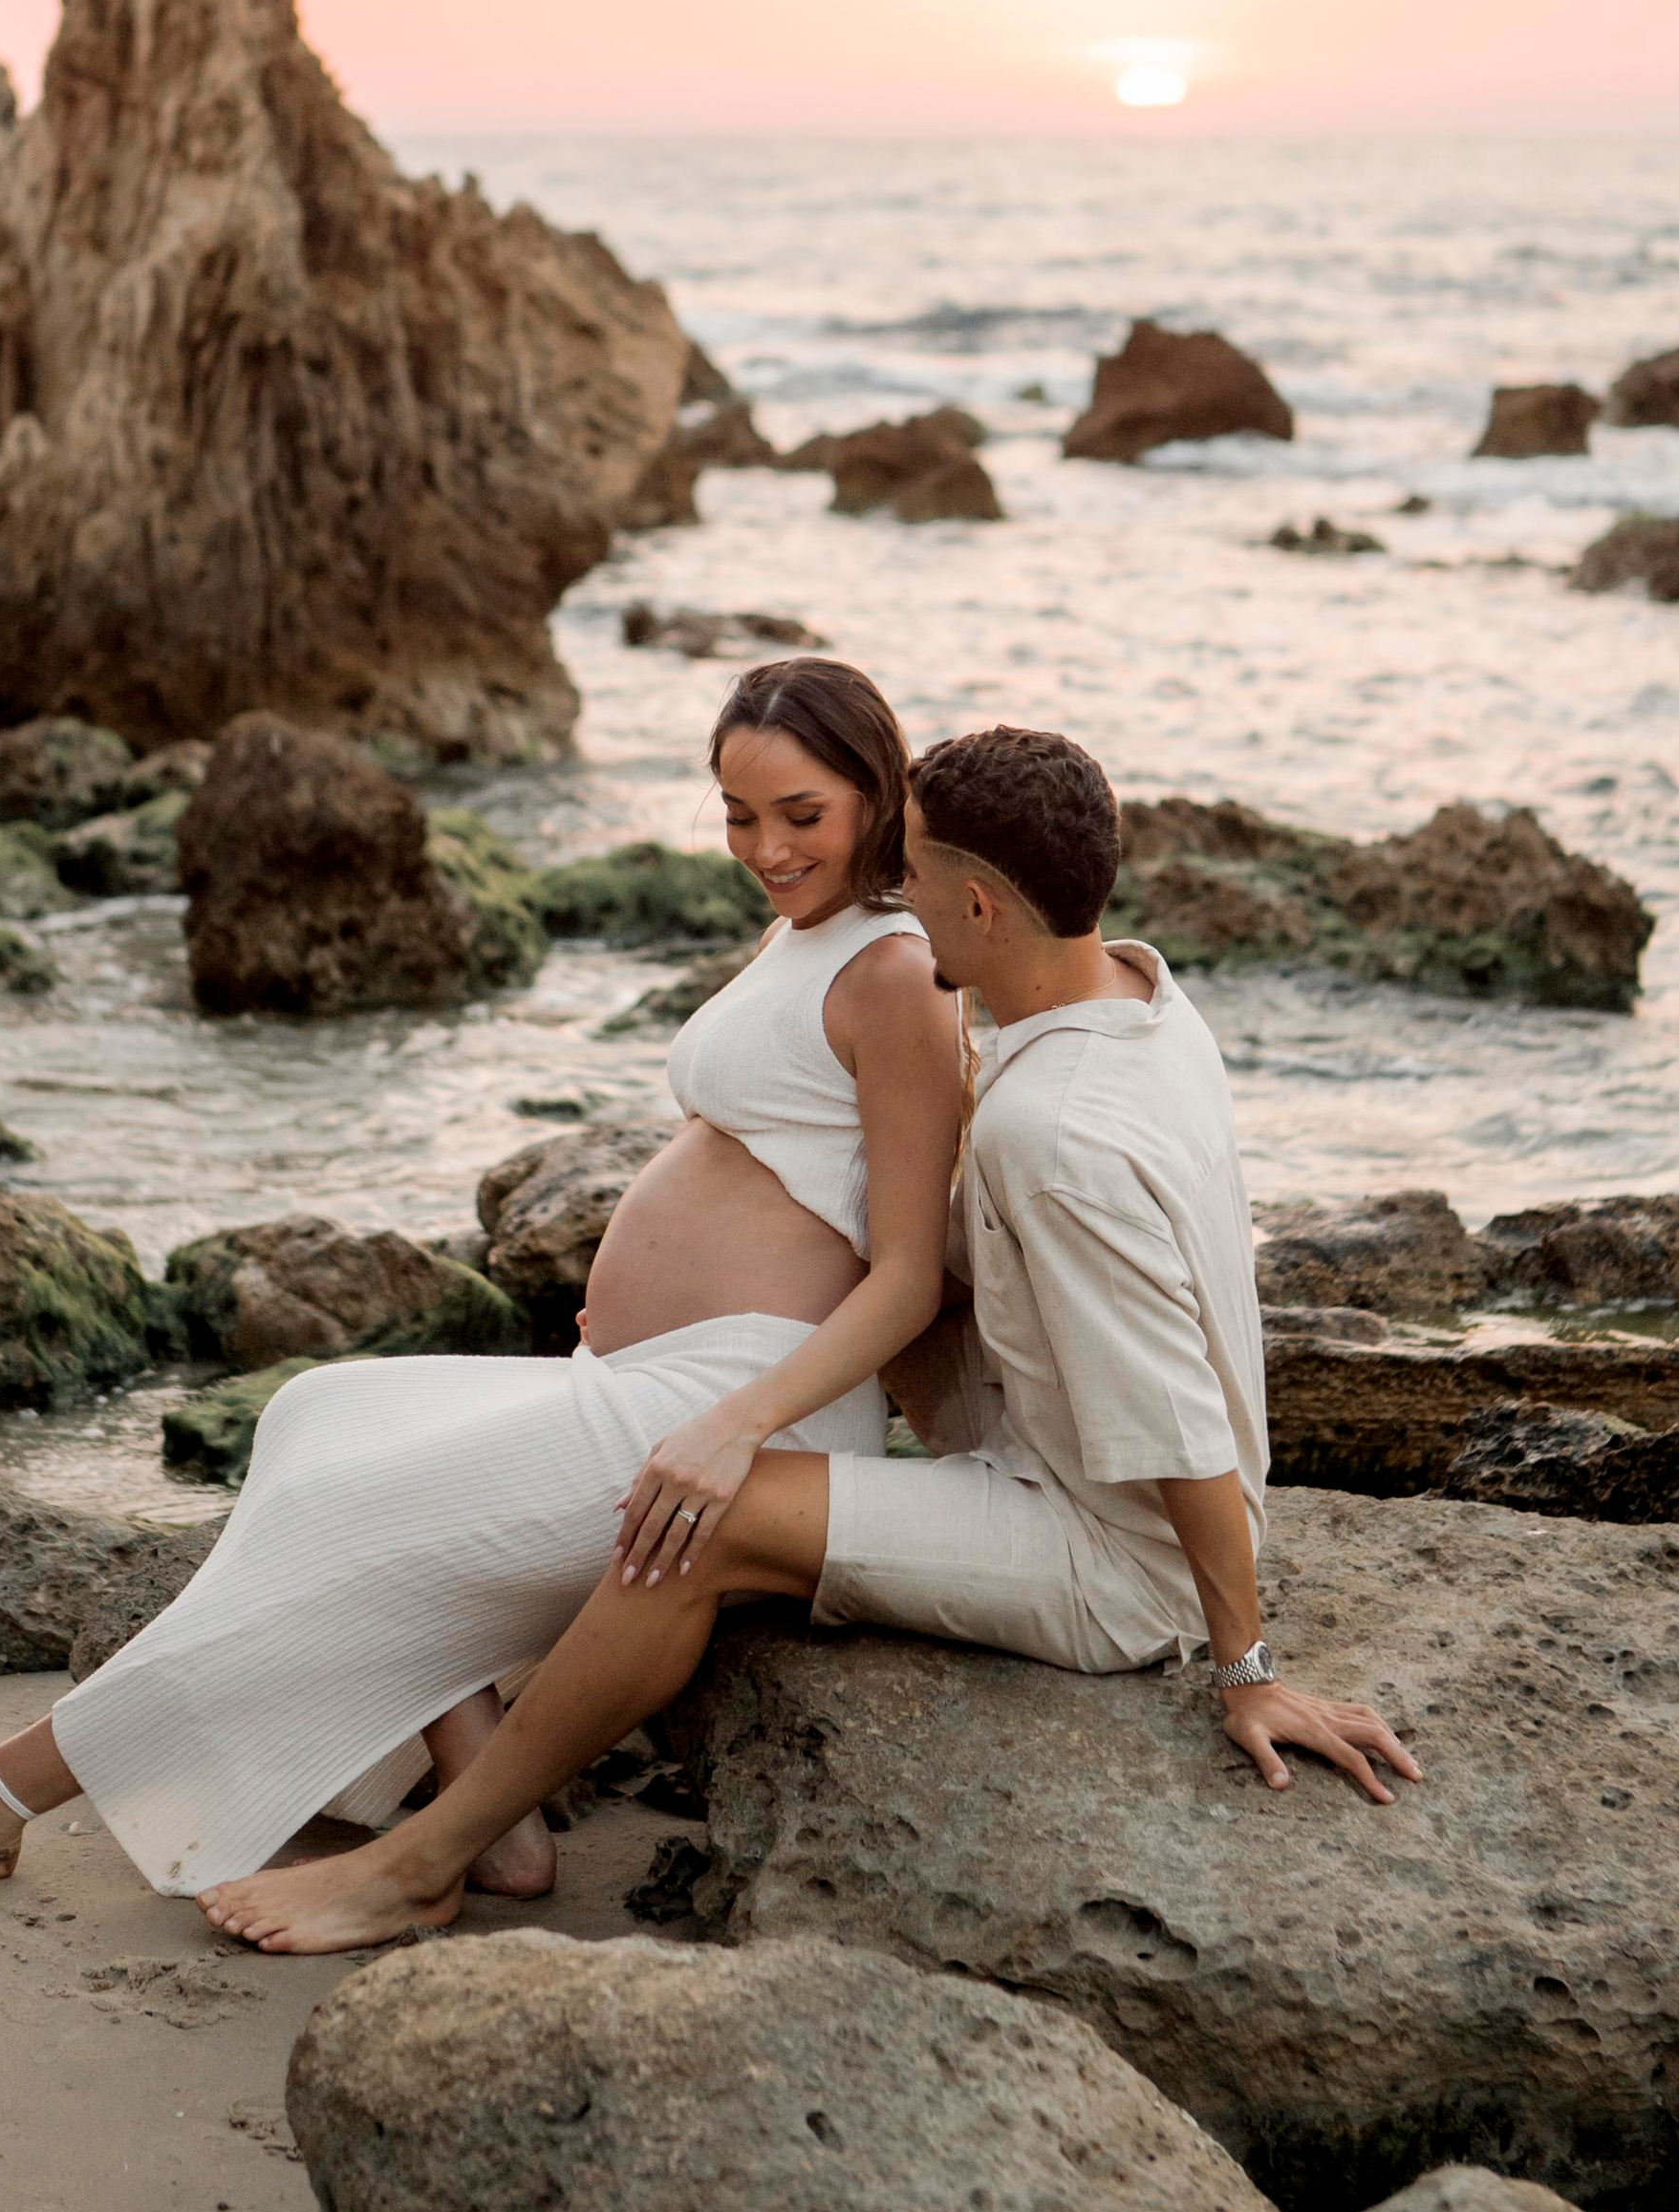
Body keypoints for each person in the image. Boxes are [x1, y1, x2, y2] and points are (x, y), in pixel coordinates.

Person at [193, 720, 1418, 1955]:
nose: (894, 888)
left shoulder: (1053, 1136)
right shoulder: (1135, 994)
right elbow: (957, 1268)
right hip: (1026, 1451)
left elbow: (1179, 1427)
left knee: (700, 1517)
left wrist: (1246, 1669)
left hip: (1104, 1557)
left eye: (914, 867)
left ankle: (421, 1866)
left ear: (981, 905)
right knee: (684, 1467)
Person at [0, 658, 961, 1904]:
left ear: (879, 795)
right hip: (654, 1372)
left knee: (348, 1521)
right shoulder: (802, 933)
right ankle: (491, 1806)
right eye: (739, 814)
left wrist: (737, 1421)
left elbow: (907, 1279)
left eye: (801, 815)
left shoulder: (895, 975)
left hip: (740, 1414)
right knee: (318, 1414)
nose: (765, 848)